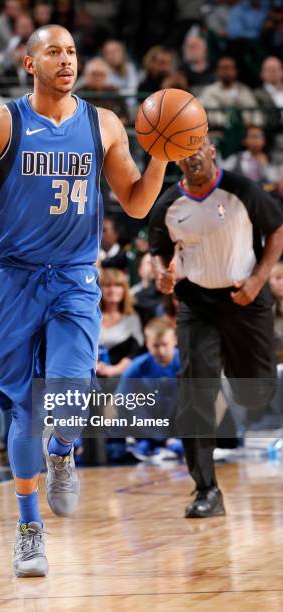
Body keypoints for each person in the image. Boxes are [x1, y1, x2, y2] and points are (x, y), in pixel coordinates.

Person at [0, 24, 169, 577]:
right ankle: (28, 529)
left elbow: (137, 205)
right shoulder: (2, 124)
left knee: (70, 390)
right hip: (11, 279)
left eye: (71, 52)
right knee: (23, 412)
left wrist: (160, 156)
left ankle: (62, 449)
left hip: (73, 277)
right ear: (29, 62)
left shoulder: (103, 124)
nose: (66, 60)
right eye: (54, 52)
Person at [149, 137, 283, 518]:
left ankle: (239, 359)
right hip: (197, 303)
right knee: (194, 390)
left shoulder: (243, 189)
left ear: (211, 151)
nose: (192, 157)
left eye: (198, 148)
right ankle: (206, 489)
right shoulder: (167, 205)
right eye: (184, 152)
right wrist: (161, 274)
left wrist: (258, 280)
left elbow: (277, 231)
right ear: (176, 163)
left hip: (246, 296)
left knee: (254, 394)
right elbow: (156, 249)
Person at [117, 317, 183, 461]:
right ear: (147, 344)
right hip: (148, 426)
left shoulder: (186, 363)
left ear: (175, 340)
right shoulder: (137, 367)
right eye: (155, 345)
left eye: (165, 344)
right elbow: (120, 402)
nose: (161, 350)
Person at [97, 268, 144, 378]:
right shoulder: (91, 316)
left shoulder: (133, 318)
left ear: (124, 290)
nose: (112, 290)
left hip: (121, 377)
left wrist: (113, 370)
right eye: (107, 285)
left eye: (118, 285)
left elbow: (134, 352)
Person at [200, 56, 263, 128]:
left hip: (245, 130)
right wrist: (231, 123)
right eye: (223, 68)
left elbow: (255, 111)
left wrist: (255, 125)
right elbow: (213, 117)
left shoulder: (244, 90)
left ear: (235, 71)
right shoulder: (209, 91)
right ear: (217, 71)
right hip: (219, 130)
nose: (226, 71)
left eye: (229, 68)